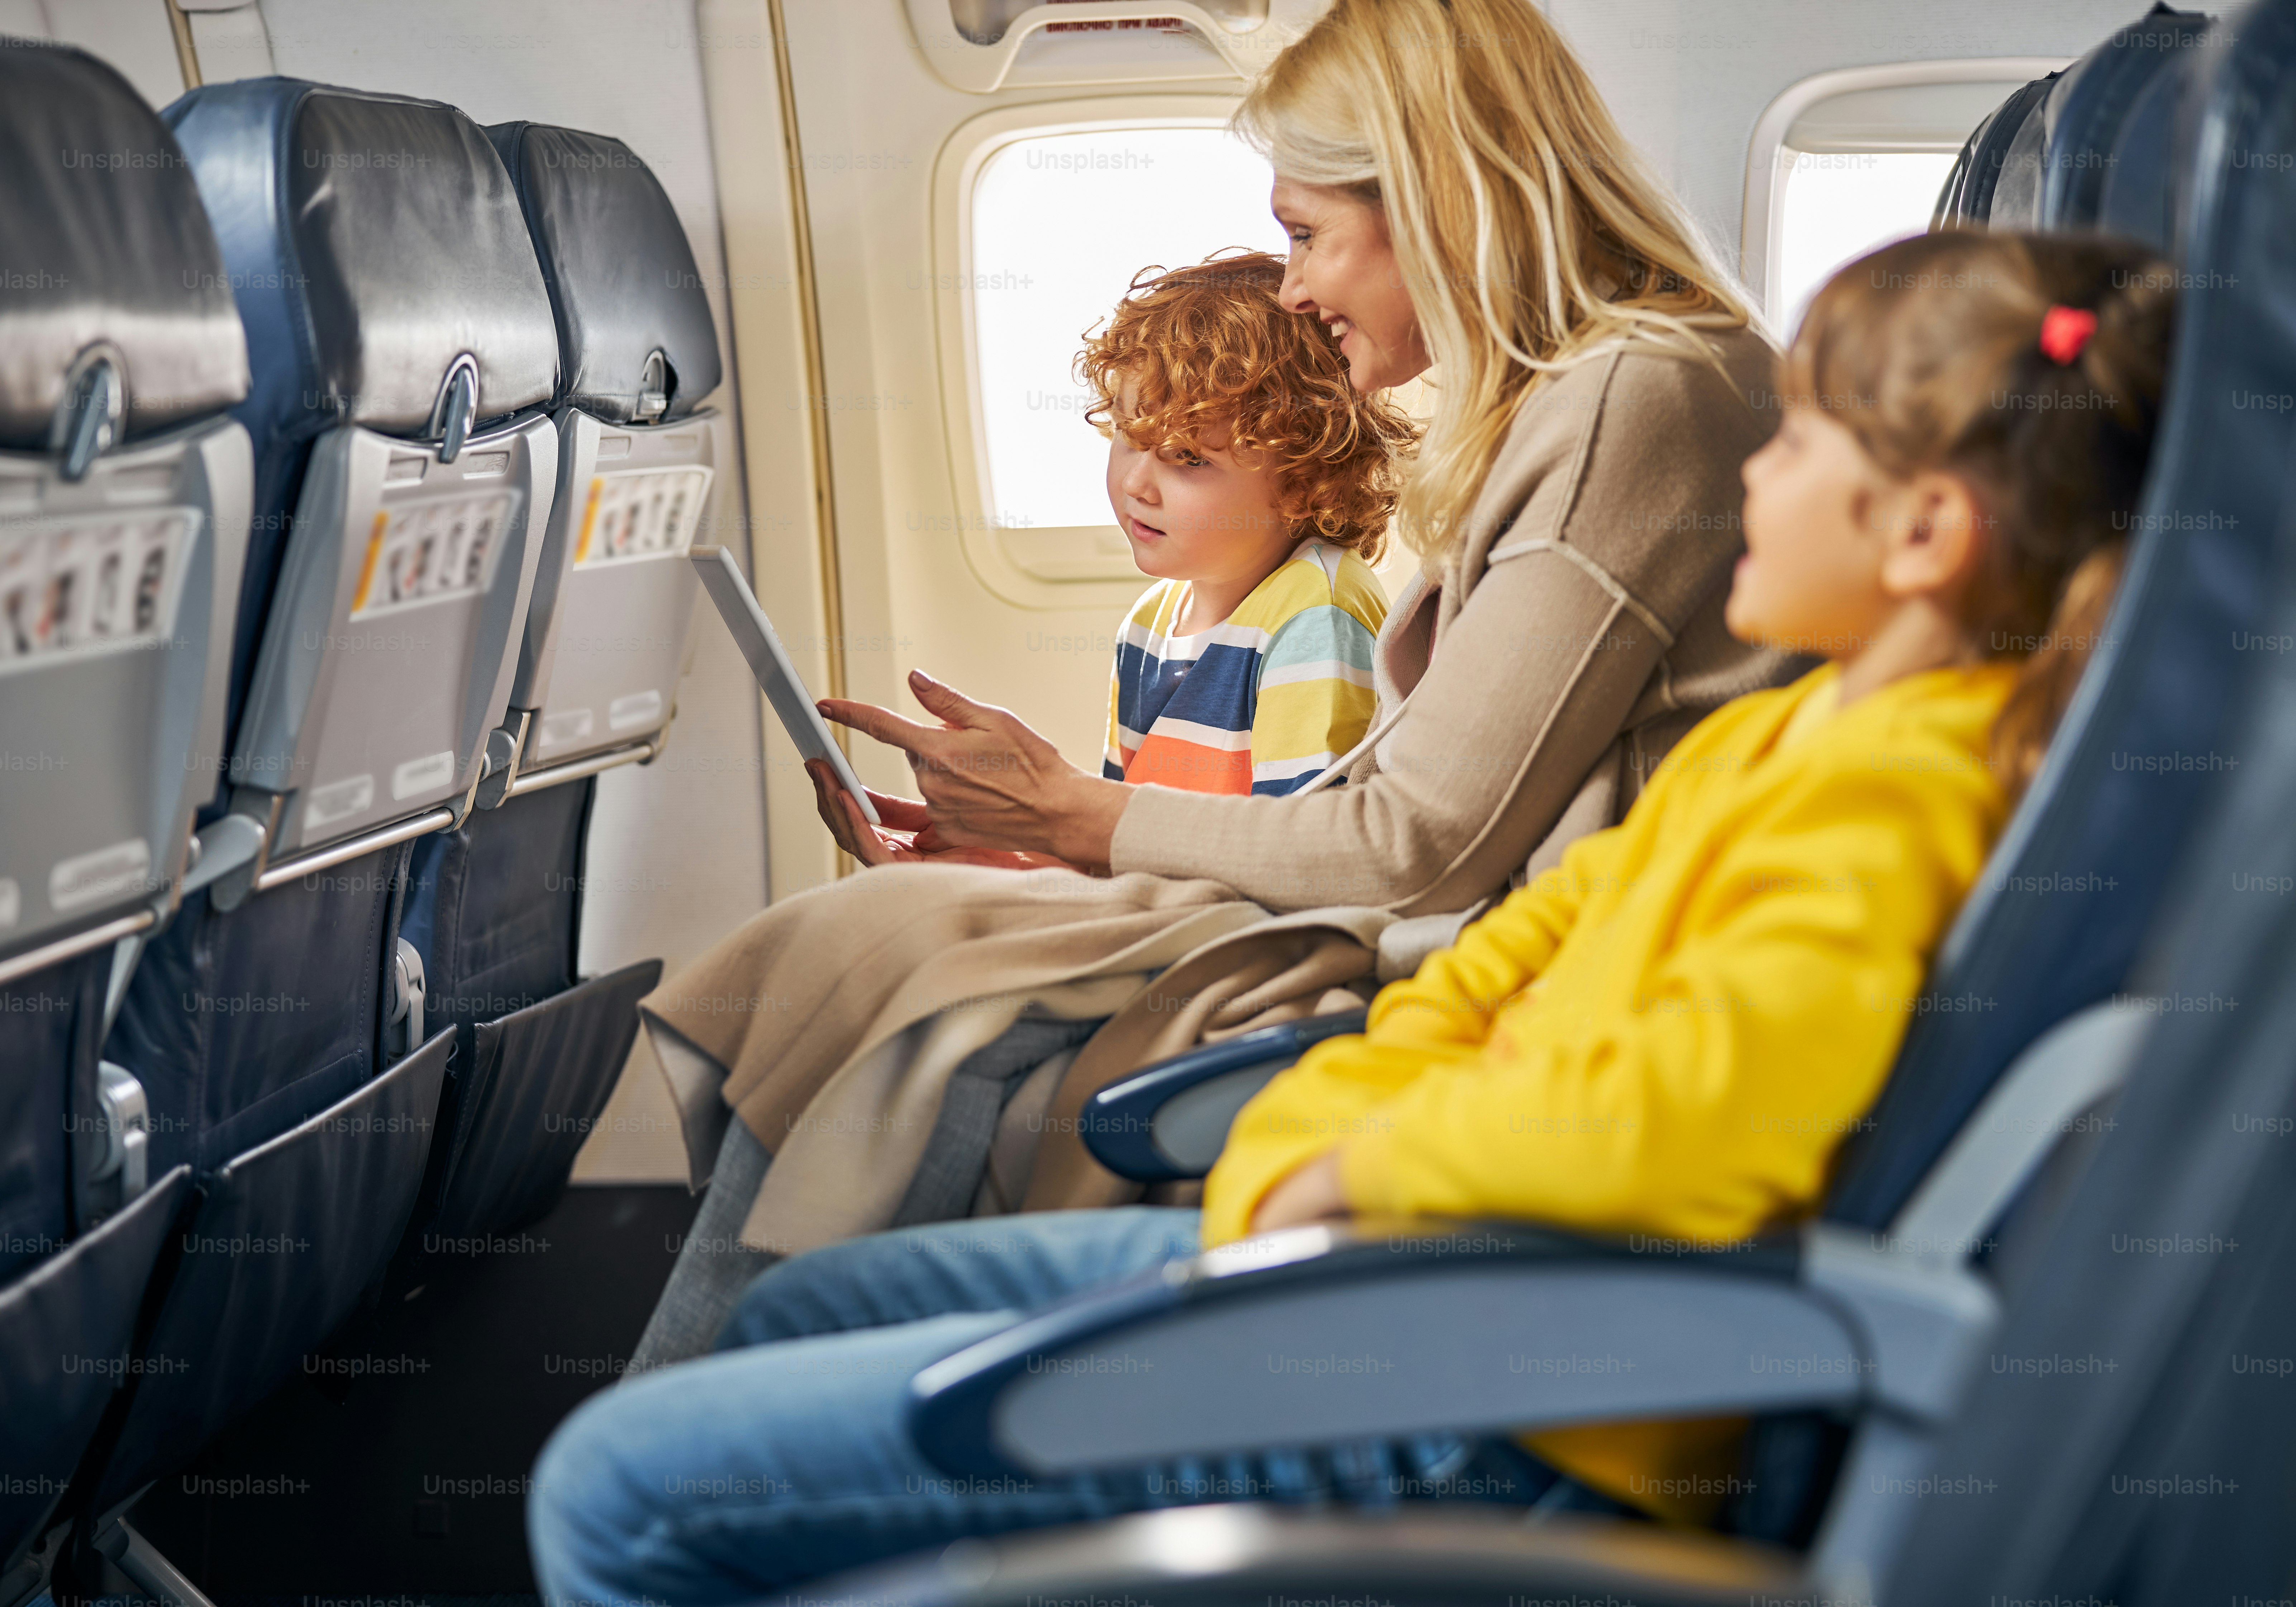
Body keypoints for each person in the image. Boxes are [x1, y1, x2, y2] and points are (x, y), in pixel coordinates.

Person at [530, 228, 2180, 1604]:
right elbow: (1502, 980)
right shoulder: (1775, 731)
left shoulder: (1903, 789)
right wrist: (1315, 1149)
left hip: (1512, 1373)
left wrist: (1351, 1172)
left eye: (1798, 443)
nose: (1752, 465)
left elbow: (1688, 1126)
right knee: (801, 1305)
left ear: (1925, 530)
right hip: (1418, 1254)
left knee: (616, 1492)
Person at [627, 0, 1792, 1370]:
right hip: (1443, 922)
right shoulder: (1583, 399)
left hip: (1480, 970)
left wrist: (1079, 821)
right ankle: (757, 1401)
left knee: (927, 979)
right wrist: (1039, 829)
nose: (1294, 287)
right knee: (889, 926)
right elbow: (1423, 802)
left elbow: (1418, 847)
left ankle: (727, 1430)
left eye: (1308, 234)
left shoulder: (1632, 399)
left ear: (1438, 196)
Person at [1093, 253, 1408, 801]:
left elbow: (1298, 849)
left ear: (1302, 479)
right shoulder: (1145, 626)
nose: (1137, 484)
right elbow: (1113, 829)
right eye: (1130, 437)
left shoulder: (1315, 615)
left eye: (1187, 457)